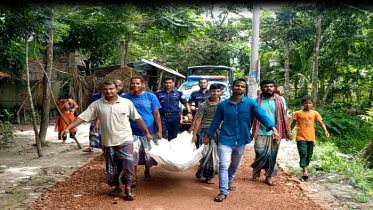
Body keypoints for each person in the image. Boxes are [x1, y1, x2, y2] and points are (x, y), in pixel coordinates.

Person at [60, 81, 152, 200]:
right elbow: (82, 117)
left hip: (125, 139)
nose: (108, 91)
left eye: (111, 89)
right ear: (102, 90)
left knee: (128, 161)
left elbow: (137, 118)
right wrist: (68, 128)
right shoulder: (97, 104)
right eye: (106, 89)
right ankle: (117, 186)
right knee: (112, 165)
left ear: (116, 89)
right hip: (108, 141)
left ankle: (128, 187)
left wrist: (146, 132)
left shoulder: (126, 103)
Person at [203, 78, 280, 202]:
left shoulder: (251, 104)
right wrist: (208, 135)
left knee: (235, 164)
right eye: (237, 85)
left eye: (242, 86)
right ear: (232, 87)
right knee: (223, 164)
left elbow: (262, 116)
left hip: (242, 139)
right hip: (225, 138)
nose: (239, 88)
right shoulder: (223, 105)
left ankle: (229, 180)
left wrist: (273, 128)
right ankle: (223, 191)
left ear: (245, 89)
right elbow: (216, 121)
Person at [250, 79, 293, 186]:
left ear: (275, 88)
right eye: (266, 86)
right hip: (260, 131)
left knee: (272, 155)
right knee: (260, 152)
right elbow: (251, 116)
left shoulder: (281, 100)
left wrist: (284, 130)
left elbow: (283, 115)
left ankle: (268, 176)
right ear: (261, 88)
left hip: (275, 133)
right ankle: (257, 169)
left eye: (271, 86)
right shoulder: (255, 100)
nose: (268, 88)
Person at [122, 76, 162, 185]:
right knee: (132, 153)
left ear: (143, 84)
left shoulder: (150, 97)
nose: (135, 85)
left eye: (138, 83)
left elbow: (156, 114)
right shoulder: (124, 98)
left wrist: (160, 130)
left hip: (149, 129)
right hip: (131, 130)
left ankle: (147, 170)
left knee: (148, 153)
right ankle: (133, 176)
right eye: (133, 83)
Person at [290, 96, 330, 180]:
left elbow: (320, 122)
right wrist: (289, 132)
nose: (308, 105)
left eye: (309, 103)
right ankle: (305, 170)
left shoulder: (315, 113)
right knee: (303, 152)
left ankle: (305, 166)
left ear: (312, 104)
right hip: (300, 136)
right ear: (302, 104)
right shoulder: (298, 113)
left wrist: (325, 131)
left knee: (309, 154)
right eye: (306, 103)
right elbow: (293, 123)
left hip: (311, 136)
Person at [192, 83, 223, 184]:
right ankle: (207, 174)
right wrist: (194, 134)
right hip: (205, 131)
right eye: (213, 91)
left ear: (221, 92)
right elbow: (198, 120)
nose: (216, 93)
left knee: (216, 153)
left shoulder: (225, 104)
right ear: (210, 92)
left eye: (218, 91)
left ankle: (206, 173)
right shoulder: (203, 105)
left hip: (220, 131)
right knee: (206, 153)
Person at [155, 76, 193, 141]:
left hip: (174, 117)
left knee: (173, 137)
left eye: (170, 83)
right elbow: (154, 105)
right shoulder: (158, 93)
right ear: (163, 83)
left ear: (173, 83)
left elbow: (185, 103)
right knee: (162, 136)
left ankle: (172, 150)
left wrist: (189, 113)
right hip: (162, 117)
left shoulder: (178, 93)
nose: (168, 84)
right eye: (166, 83)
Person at [188, 78, 210, 148]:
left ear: (207, 84)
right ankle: (198, 149)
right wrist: (191, 110)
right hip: (198, 116)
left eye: (204, 83)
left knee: (208, 133)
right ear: (199, 84)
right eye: (201, 83)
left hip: (209, 116)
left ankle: (207, 150)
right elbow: (189, 104)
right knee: (197, 133)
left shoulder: (211, 93)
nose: (203, 84)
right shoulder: (194, 94)